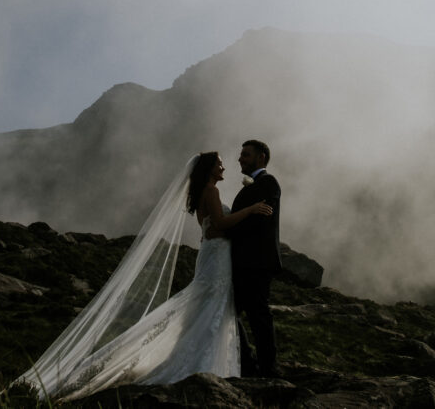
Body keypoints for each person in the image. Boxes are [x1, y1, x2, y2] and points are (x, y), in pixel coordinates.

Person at [16, 152, 272, 401]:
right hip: (216, 258)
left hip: (212, 253)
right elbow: (220, 225)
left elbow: (210, 229)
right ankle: (201, 363)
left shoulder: (202, 192)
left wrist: (224, 229)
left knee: (205, 305)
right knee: (210, 304)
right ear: (208, 169)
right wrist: (250, 211)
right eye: (219, 164)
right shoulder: (212, 191)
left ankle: (200, 359)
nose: (224, 167)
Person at [227, 139, 283, 377]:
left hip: (257, 263)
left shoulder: (268, 183)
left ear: (261, 158)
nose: (240, 158)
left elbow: (258, 221)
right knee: (231, 312)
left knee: (258, 315)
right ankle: (249, 364)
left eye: (246, 155)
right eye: (241, 155)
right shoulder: (253, 186)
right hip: (244, 263)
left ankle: (268, 368)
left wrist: (225, 230)